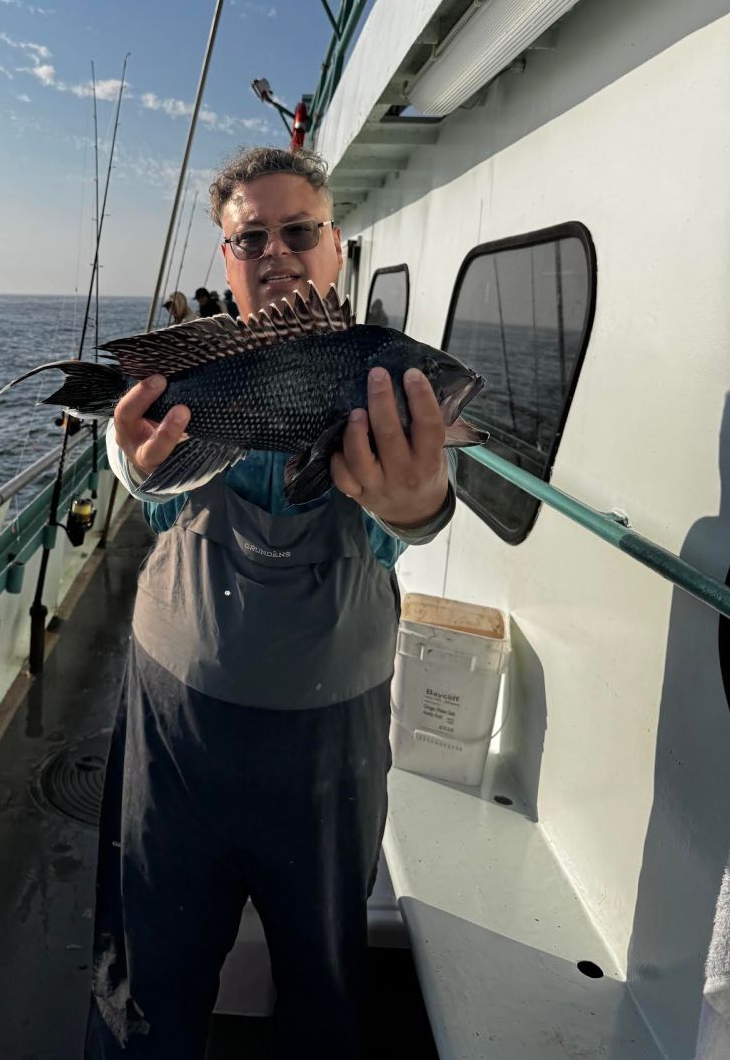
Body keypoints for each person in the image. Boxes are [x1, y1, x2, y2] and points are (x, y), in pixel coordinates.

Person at [86, 146, 455, 1059]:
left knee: (323, 986)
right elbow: (144, 472)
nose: (276, 251)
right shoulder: (203, 368)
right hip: (174, 729)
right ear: (228, 258)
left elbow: (412, 515)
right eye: (251, 238)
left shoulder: (382, 375)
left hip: (329, 745)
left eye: (298, 231)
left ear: (337, 245)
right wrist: (128, 460)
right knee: (149, 980)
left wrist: (419, 503)